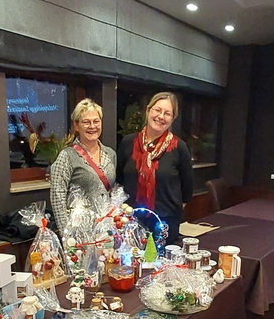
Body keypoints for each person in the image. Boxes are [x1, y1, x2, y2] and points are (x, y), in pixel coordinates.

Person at [117, 91, 193, 244]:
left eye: (167, 113)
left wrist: (169, 213)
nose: (161, 116)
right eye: (157, 110)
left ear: (173, 119)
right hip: (131, 220)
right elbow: (118, 180)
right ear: (148, 110)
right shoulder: (128, 142)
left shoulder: (179, 147)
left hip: (165, 223)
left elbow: (187, 189)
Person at [49, 98, 116, 233]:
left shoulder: (110, 154)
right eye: (86, 122)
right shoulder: (66, 156)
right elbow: (57, 198)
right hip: (79, 231)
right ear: (76, 125)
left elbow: (112, 192)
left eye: (96, 121)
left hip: (106, 228)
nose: (92, 126)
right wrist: (67, 235)